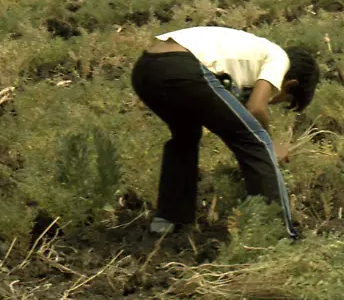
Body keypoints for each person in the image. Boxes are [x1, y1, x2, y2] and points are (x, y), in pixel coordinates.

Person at [130, 26, 318, 238]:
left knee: (185, 136)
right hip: (181, 67)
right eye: (283, 99)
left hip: (145, 70)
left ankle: (168, 220)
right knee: (256, 142)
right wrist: (270, 143)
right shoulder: (279, 57)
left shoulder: (250, 55)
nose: (273, 99)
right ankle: (277, 233)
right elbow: (256, 108)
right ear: (290, 84)